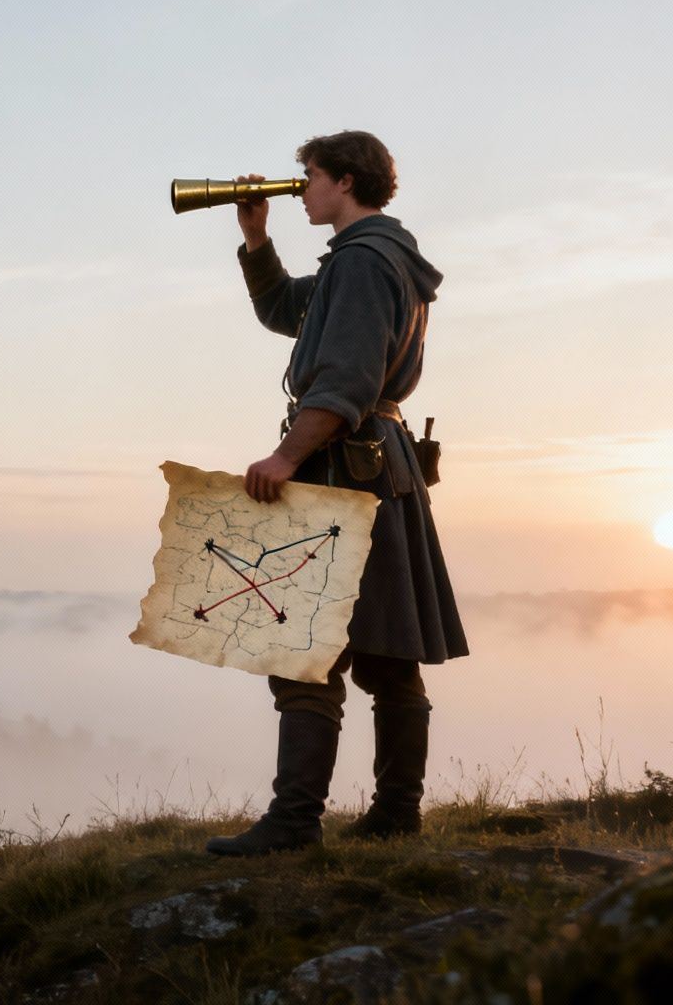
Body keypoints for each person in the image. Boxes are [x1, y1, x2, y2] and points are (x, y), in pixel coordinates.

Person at [205, 130, 468, 857]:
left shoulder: (361, 262)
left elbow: (347, 376)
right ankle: (395, 814)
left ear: (345, 182)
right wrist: (256, 239)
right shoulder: (379, 258)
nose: (304, 191)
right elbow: (288, 312)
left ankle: (294, 824)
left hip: (341, 466)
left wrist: (288, 454)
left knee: (303, 650)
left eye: (312, 177)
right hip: (381, 467)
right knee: (387, 656)